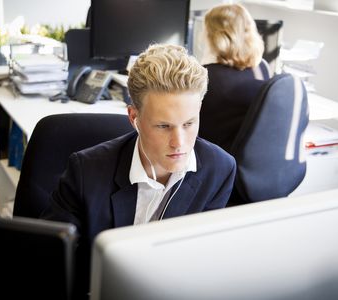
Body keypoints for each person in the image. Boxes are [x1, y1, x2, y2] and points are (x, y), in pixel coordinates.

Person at [41, 43, 236, 298]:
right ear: (134, 118)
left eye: (189, 123)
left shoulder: (219, 169)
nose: (179, 142)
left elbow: (203, 260)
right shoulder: (86, 172)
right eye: (164, 126)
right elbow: (49, 263)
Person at [198, 3, 267, 154]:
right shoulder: (261, 68)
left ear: (212, 35)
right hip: (247, 157)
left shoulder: (206, 76)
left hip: (215, 158)